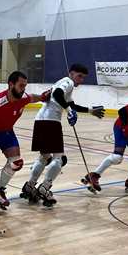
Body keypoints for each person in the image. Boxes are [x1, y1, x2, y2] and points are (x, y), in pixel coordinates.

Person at [22, 63, 105, 206]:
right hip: (51, 122)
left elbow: (70, 104)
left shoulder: (62, 84)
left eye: (83, 78)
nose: (80, 80)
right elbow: (57, 95)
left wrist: (90, 110)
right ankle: (45, 188)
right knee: (59, 159)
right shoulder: (68, 82)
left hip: (40, 120)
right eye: (79, 76)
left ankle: (30, 186)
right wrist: (68, 110)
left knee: (44, 156)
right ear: (71, 73)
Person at [0, 71, 50, 214]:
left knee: (16, 163)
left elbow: (33, 97)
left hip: (6, 132)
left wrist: (43, 97)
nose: (23, 89)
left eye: (25, 86)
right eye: (21, 86)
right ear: (10, 85)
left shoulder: (23, 97)